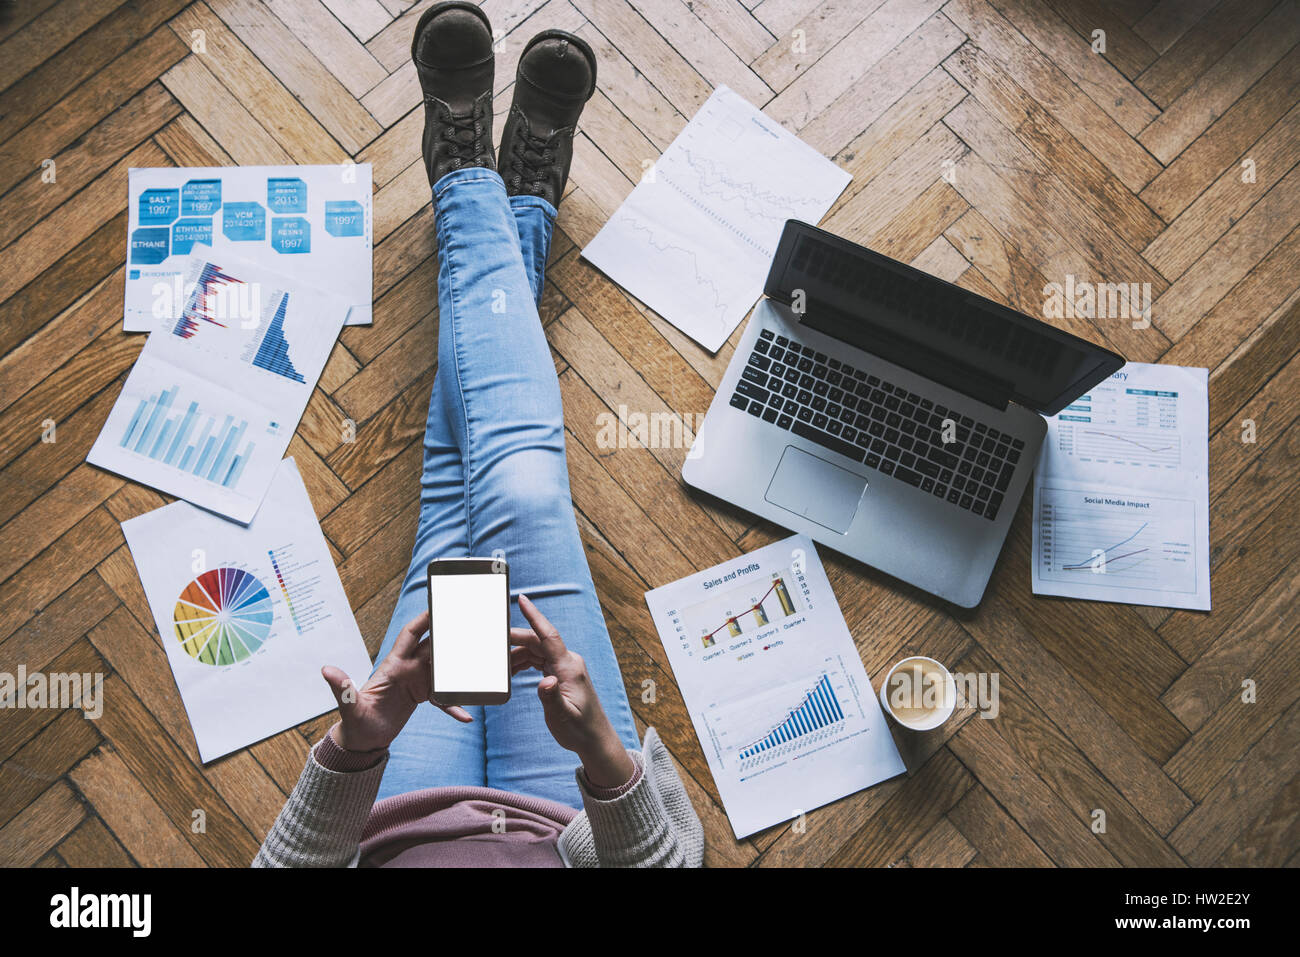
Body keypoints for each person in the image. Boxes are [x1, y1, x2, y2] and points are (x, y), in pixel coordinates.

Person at [253, 1, 703, 868]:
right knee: (516, 485)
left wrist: (356, 747)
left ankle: (478, 184)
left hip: (396, 808)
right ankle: (492, 193)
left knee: (462, 496)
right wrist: (608, 764)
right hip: (562, 803)